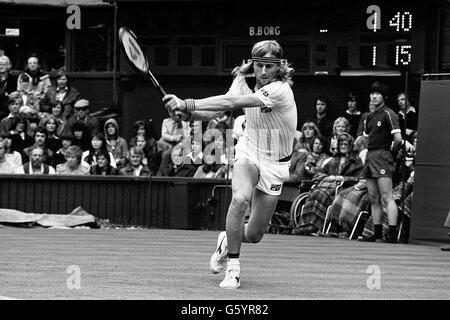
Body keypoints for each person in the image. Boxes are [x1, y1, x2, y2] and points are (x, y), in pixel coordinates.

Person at [163, 40, 296, 289]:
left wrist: (187, 103)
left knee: (254, 235)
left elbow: (230, 104)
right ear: (253, 64)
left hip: (276, 164)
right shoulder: (242, 81)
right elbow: (214, 112)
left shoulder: (280, 90)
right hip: (250, 151)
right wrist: (188, 114)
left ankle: (227, 238)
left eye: (269, 66)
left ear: (279, 67)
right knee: (240, 199)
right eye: (259, 65)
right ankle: (233, 269)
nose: (264, 72)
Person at [291, 133, 363, 236]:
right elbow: (323, 171)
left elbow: (358, 179)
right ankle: (304, 224)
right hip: (329, 187)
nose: (343, 146)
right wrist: (316, 171)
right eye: (341, 144)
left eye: (345, 144)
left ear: (350, 145)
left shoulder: (356, 161)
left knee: (321, 194)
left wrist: (342, 178)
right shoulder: (334, 160)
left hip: (344, 190)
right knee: (315, 192)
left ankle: (314, 225)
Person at [358, 81, 402, 243]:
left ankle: (391, 235)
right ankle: (376, 233)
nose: (374, 96)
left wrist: (391, 153)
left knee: (386, 197)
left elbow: (398, 139)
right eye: (372, 93)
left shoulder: (389, 114)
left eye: (377, 94)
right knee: (373, 197)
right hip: (370, 156)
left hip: (383, 156)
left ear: (384, 96)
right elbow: (364, 138)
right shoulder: (369, 116)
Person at [0, 55, 18, 120]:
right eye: (0, 65)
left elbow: (15, 94)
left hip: (8, 107)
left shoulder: (13, 80)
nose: (1, 66)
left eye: (3, 65)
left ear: (8, 66)